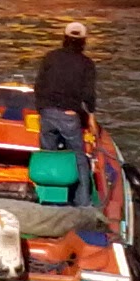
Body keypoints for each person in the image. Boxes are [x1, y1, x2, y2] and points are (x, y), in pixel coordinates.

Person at [33, 21, 97, 206]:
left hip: (47, 113)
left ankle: (46, 199)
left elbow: (39, 86)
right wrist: (91, 115)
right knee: (78, 158)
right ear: (83, 41)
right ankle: (83, 202)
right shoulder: (87, 64)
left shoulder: (50, 57)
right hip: (69, 116)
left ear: (64, 38)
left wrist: (42, 110)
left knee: (48, 155)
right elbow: (88, 94)